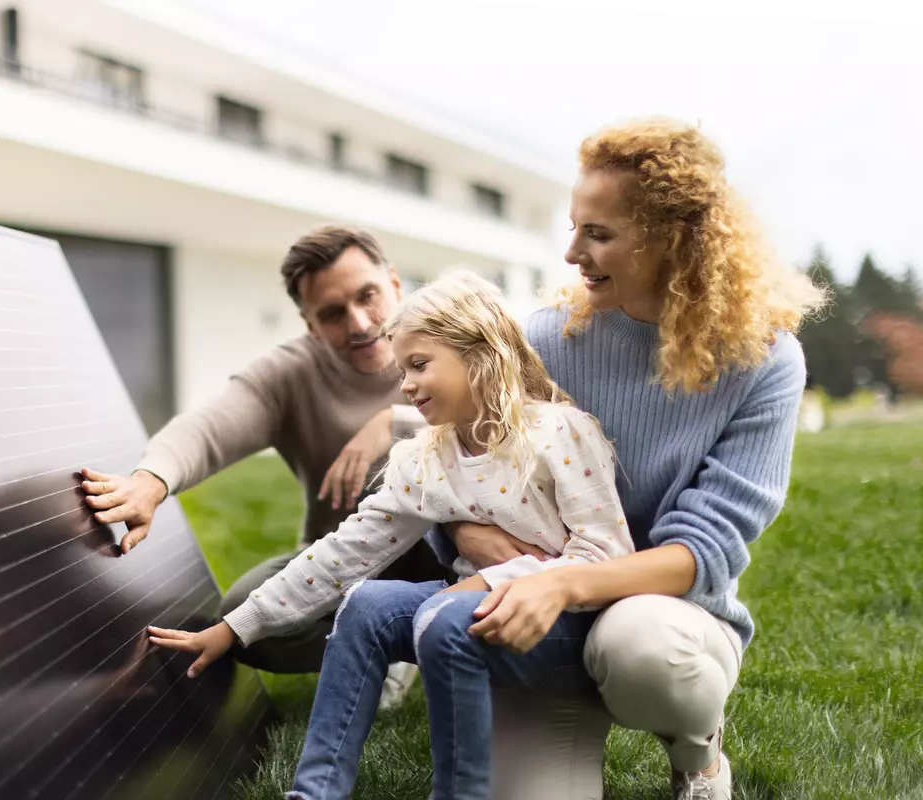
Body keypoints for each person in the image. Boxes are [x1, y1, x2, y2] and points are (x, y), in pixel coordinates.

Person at [417, 117, 827, 799]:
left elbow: (705, 549)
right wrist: (462, 531)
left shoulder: (764, 361)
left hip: (663, 615)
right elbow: (450, 464)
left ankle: (698, 755)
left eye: (598, 234)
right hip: (540, 620)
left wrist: (564, 583)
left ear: (674, 240)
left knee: (640, 649)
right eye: (573, 228)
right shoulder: (546, 340)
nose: (573, 252)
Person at [146, 270, 636, 800]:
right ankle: (313, 793)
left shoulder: (559, 433)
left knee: (446, 621)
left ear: (480, 352)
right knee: (366, 604)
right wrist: (235, 628)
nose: (406, 384)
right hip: (464, 616)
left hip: (560, 627)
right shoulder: (426, 457)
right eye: (403, 369)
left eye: (420, 365)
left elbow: (605, 553)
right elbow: (344, 551)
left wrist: (482, 587)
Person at [79, 226, 542, 704]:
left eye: (369, 296)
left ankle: (430, 630)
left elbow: (517, 416)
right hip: (344, 560)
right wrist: (150, 481)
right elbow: (207, 427)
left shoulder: (453, 342)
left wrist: (393, 425)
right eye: (333, 314)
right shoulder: (288, 375)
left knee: (413, 467)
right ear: (309, 324)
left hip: (457, 563)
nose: (360, 323)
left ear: (395, 284)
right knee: (243, 613)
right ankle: (392, 645)